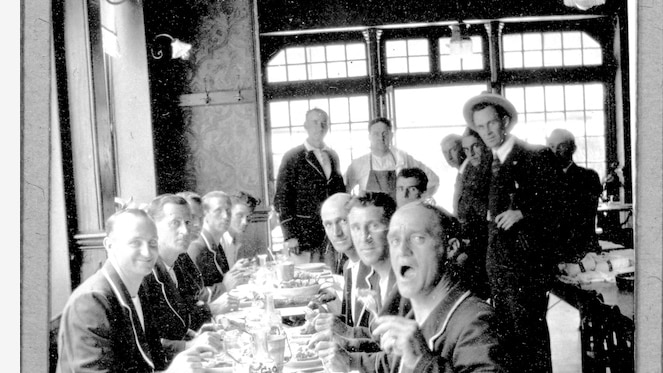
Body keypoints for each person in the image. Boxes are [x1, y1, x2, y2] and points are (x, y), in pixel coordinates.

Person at [317, 203, 504, 373]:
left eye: (417, 238)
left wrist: (421, 361)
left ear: (451, 248)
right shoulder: (419, 308)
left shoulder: (477, 322)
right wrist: (349, 361)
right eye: (395, 241)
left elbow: (415, 361)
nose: (402, 251)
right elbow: (392, 363)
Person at [463, 91, 563, 373]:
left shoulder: (536, 156)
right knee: (507, 341)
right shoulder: (484, 164)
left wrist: (523, 213)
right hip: (497, 268)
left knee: (530, 340)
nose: (487, 132)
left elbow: (561, 207)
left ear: (505, 121)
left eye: (492, 123)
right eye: (480, 127)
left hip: (526, 268)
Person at [57, 208, 217, 373]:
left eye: (153, 243)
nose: (147, 252)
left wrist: (189, 347)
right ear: (110, 246)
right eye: (135, 243)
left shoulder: (136, 287)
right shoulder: (91, 302)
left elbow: (149, 351)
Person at [138, 194, 225, 369]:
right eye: (175, 223)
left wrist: (197, 333)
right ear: (152, 228)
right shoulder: (143, 275)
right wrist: (189, 345)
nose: (185, 231)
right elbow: (145, 344)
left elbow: (188, 312)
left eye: (187, 222)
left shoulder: (181, 260)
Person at [274, 108, 346, 265]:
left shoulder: (333, 156)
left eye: (323, 123)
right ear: (305, 126)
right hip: (302, 236)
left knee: (330, 281)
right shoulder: (292, 156)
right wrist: (290, 235)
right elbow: (282, 198)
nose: (320, 127)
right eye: (315, 122)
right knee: (306, 282)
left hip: (330, 234)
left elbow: (339, 194)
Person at [345, 117, 439, 201]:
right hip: (371, 217)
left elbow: (433, 179)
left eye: (385, 134)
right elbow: (343, 190)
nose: (381, 138)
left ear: (391, 136)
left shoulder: (402, 158)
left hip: (398, 215)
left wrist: (418, 200)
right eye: (376, 134)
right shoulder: (358, 164)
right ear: (369, 137)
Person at [547, 128, 602, 261]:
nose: (555, 152)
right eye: (551, 147)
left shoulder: (588, 177)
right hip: (552, 252)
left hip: (582, 250)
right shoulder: (544, 178)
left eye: (561, 146)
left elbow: (582, 217)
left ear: (573, 148)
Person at [320, 192, 372, 327]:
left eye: (342, 221)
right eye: (328, 225)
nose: (336, 233)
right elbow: (353, 323)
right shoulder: (348, 266)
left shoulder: (376, 268)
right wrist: (323, 319)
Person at [188, 191, 249, 302]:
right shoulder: (196, 247)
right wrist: (224, 287)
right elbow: (193, 296)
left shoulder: (216, 244)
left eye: (228, 211)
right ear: (204, 215)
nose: (226, 216)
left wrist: (235, 274)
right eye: (218, 211)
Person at [456, 129, 492, 299]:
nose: (470, 153)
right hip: (476, 242)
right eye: (465, 149)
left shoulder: (496, 168)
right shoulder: (469, 170)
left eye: (475, 146)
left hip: (493, 242)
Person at [221, 191, 262, 267]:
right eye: (240, 216)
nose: (245, 222)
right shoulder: (220, 242)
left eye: (248, 217)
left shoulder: (234, 240)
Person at [441, 133, 469, 215]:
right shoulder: (461, 173)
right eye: (445, 152)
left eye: (453, 150)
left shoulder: (469, 172)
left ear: (463, 148)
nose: (449, 157)